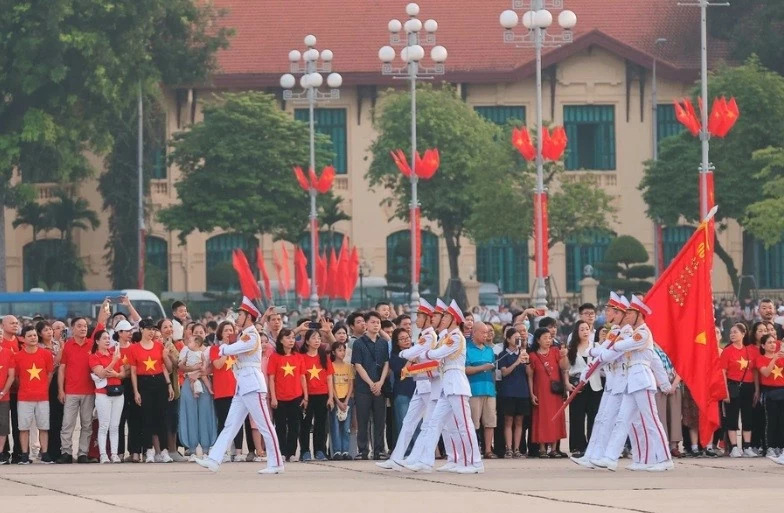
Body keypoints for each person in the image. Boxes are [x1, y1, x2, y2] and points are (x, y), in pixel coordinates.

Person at [196, 298, 284, 475]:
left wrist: (223, 348)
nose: (238, 317)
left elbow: (232, 349)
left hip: (252, 383)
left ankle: (277, 463)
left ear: (248, 317)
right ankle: (214, 459)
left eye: (241, 314)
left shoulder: (251, 335)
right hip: (243, 385)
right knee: (230, 424)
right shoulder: (245, 333)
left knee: (265, 425)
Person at [594, 295, 673, 472]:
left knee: (651, 420)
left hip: (642, 379)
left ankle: (665, 458)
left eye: (631, 313)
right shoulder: (634, 331)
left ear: (639, 315)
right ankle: (612, 458)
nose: (627, 315)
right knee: (624, 420)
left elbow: (625, 346)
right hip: (632, 381)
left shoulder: (644, 333)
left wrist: (611, 346)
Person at [402, 300, 483, 474]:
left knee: (464, 425)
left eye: (446, 316)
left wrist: (422, 353)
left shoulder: (455, 337)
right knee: (434, 423)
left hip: (457, 384)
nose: (442, 318)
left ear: (454, 319)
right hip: (448, 385)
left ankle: (474, 463)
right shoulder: (448, 337)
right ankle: (426, 461)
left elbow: (437, 354)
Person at [383, 298, 461, 472]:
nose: (416, 321)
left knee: (437, 425)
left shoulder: (431, 336)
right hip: (423, 383)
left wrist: (403, 354)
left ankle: (443, 459)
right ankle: (400, 458)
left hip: (432, 384)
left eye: (419, 317)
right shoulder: (429, 336)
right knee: (412, 422)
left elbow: (425, 357)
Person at [58, 300, 109, 464]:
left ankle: (82, 453)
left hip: (88, 392)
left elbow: (101, 324)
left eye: (85, 326)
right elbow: (62, 369)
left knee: (87, 425)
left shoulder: (91, 344)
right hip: (71, 391)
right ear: (73, 328)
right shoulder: (68, 346)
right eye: (79, 326)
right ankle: (66, 452)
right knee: (67, 424)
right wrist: (61, 390)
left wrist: (102, 307)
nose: (83, 328)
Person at [130, 318, 175, 463]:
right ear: (142, 330)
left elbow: (166, 368)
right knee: (146, 417)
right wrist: (136, 391)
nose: (151, 332)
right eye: (148, 329)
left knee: (162, 417)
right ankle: (149, 451)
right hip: (144, 383)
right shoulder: (134, 348)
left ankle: (164, 451)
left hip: (159, 382)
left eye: (153, 329)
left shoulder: (159, 346)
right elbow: (133, 372)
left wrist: (169, 385)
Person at [351, 311, 390, 460]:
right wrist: (371, 383)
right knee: (363, 419)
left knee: (380, 420)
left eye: (378, 322)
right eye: (373, 322)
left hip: (380, 387)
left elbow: (386, 363)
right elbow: (358, 365)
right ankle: (363, 450)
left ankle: (379, 449)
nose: (376, 325)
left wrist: (380, 382)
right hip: (363, 388)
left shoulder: (383, 343)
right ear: (366, 324)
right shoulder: (359, 343)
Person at [15, 326, 55, 464]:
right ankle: (25, 455)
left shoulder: (46, 354)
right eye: (29, 336)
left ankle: (44, 454)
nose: (33, 338)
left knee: (44, 426)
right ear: (24, 339)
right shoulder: (18, 356)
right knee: (24, 427)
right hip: (24, 397)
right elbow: (16, 377)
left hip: (42, 397)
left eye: (34, 335)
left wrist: (44, 387)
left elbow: (50, 373)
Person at [528, 327, 568, 458]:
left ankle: (554, 449)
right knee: (542, 419)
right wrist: (531, 393)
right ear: (538, 340)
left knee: (555, 418)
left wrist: (564, 355)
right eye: (544, 338)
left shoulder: (556, 351)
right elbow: (529, 376)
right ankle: (542, 448)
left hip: (555, 392)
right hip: (540, 392)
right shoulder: (532, 355)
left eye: (549, 338)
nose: (548, 340)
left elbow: (564, 368)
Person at [565, 320, 603, 458]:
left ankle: (593, 446)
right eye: (582, 329)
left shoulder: (596, 346)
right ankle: (578, 446)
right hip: (577, 386)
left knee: (594, 417)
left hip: (595, 386)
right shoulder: (572, 349)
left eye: (587, 329)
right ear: (577, 332)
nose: (585, 332)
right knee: (577, 417)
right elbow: (566, 369)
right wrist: (567, 383)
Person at [268, 328, 306, 463]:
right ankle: (282, 452)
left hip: (296, 396)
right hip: (280, 398)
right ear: (281, 340)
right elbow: (271, 378)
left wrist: (305, 396)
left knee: (295, 427)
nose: (291, 340)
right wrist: (273, 397)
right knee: (280, 427)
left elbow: (302, 377)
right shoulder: (274, 357)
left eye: (292, 338)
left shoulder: (298, 356)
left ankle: (292, 452)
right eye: (288, 338)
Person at [88, 329, 126, 463]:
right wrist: (113, 362)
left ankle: (114, 453)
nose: (107, 340)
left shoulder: (114, 354)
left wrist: (115, 373)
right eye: (104, 338)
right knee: (104, 425)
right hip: (103, 394)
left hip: (117, 393)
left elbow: (122, 374)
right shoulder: (94, 357)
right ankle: (103, 454)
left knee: (115, 425)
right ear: (97, 341)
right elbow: (102, 373)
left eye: (108, 338)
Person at [178, 334, 217, 460]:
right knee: (190, 415)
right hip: (189, 382)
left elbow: (211, 367)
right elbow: (181, 366)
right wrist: (192, 370)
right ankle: (192, 448)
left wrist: (200, 372)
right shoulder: (186, 349)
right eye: (196, 331)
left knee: (205, 415)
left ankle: (206, 449)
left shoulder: (208, 350)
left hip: (203, 383)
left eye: (201, 331)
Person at [209, 321, 243, 463]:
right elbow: (217, 364)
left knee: (238, 421)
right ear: (220, 334)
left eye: (231, 330)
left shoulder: (239, 349)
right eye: (226, 330)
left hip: (238, 390)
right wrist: (225, 350)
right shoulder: (215, 349)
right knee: (223, 422)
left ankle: (239, 451)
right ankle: (223, 451)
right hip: (222, 391)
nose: (229, 332)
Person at [720, 323, 755, 458]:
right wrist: (725, 391)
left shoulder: (749, 350)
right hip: (732, 386)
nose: (732, 334)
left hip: (748, 386)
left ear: (743, 333)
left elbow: (755, 371)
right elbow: (722, 372)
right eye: (731, 332)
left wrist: (756, 389)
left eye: (735, 332)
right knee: (732, 417)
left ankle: (747, 446)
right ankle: (734, 447)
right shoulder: (727, 351)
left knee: (748, 416)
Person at [299, 330, 334, 461]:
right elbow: (301, 377)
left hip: (322, 394)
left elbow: (329, 377)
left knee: (321, 425)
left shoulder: (324, 357)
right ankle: (304, 451)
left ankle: (320, 450)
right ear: (307, 341)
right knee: (305, 424)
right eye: (314, 338)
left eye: (319, 338)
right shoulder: (301, 357)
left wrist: (330, 397)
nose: (317, 340)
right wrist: (305, 397)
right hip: (307, 396)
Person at [497, 327, 530, 458]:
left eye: (519, 338)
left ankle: (517, 448)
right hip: (508, 392)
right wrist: (517, 362)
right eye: (515, 337)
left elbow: (529, 374)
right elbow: (504, 372)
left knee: (519, 421)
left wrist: (526, 362)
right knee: (508, 420)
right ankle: (509, 448)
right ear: (508, 339)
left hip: (522, 391)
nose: (518, 340)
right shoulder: (502, 355)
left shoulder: (523, 353)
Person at [465, 320, 497, 459]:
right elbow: (465, 369)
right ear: (474, 332)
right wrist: (482, 367)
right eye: (483, 332)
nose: (486, 335)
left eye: (487, 332)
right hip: (474, 390)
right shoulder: (466, 349)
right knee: (473, 422)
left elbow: (494, 370)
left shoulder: (490, 350)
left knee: (490, 422)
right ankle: (473, 449)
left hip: (489, 390)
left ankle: (488, 450)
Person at [36, 320, 64, 461]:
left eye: (50, 329)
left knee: (59, 417)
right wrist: (62, 351)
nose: (49, 332)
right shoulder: (38, 347)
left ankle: (59, 449)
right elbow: (53, 365)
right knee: (49, 417)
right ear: (39, 333)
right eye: (46, 330)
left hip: (61, 380)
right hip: (47, 381)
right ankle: (48, 451)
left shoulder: (58, 344)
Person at [756, 335, 784, 462]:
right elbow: (766, 373)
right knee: (772, 421)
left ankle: (781, 446)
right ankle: (771, 446)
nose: (772, 344)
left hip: (782, 391)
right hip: (770, 392)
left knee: (782, 421)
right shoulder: (760, 359)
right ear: (763, 346)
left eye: (773, 342)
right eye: (769, 342)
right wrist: (774, 359)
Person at [330, 341, 353, 460]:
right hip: (335, 399)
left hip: (346, 399)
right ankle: (337, 451)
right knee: (335, 426)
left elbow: (350, 384)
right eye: (339, 350)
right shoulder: (331, 365)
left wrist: (346, 400)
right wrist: (337, 401)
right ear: (333, 352)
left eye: (344, 350)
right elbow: (331, 385)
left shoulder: (348, 366)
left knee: (346, 427)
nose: (342, 353)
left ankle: (345, 450)